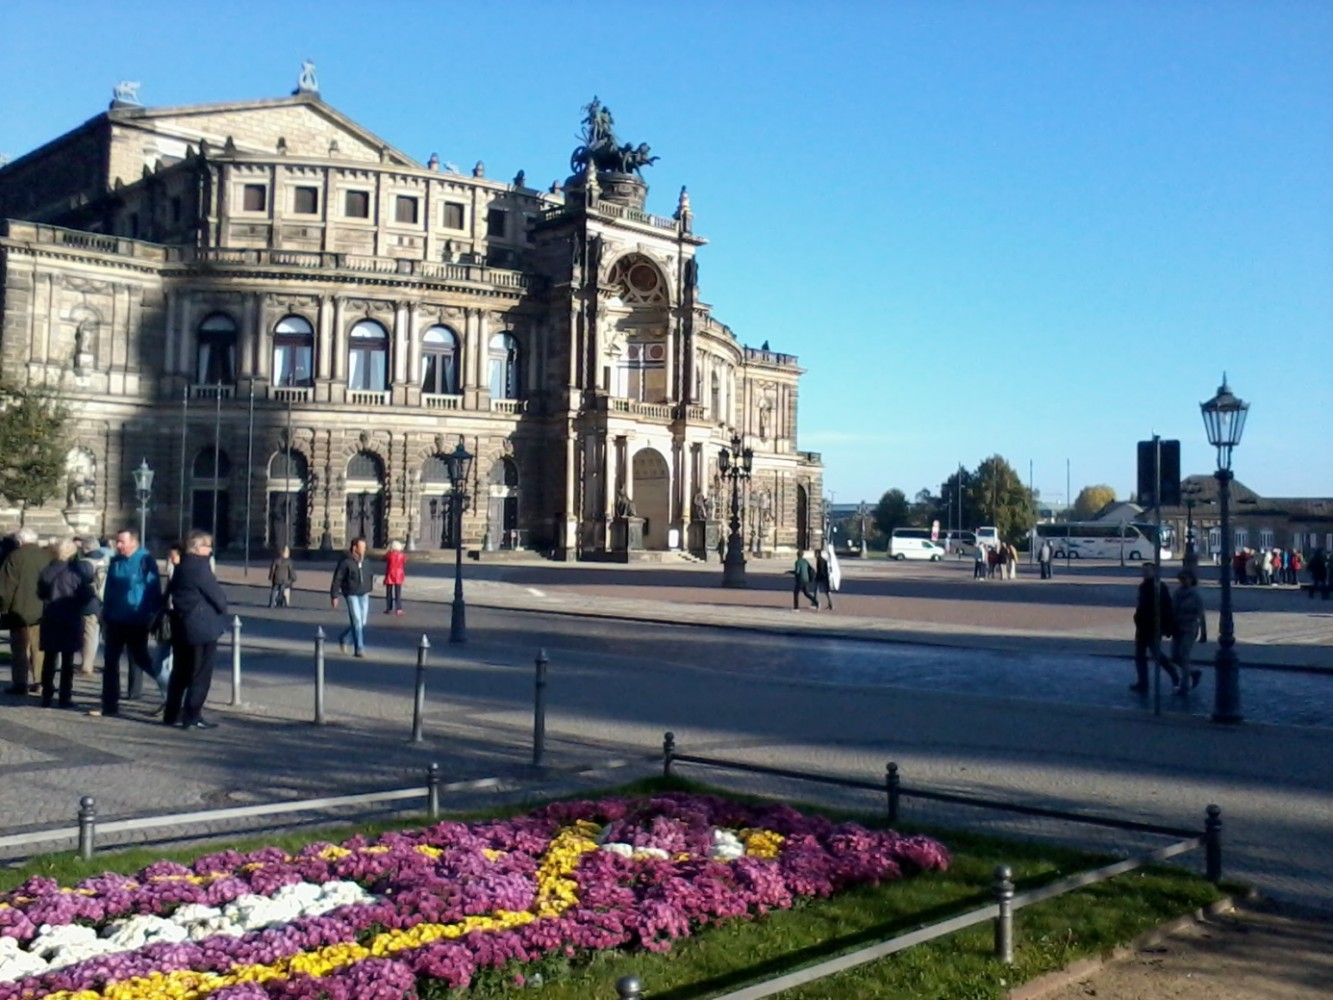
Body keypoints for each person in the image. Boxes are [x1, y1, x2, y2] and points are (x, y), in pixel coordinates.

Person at [96, 528, 165, 717]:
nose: (118, 545)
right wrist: (105, 613)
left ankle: (170, 688)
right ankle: (109, 703)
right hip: (115, 619)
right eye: (117, 541)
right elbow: (109, 589)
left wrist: (151, 616)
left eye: (122, 542)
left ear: (134, 542)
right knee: (110, 661)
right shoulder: (116, 561)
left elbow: (154, 591)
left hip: (137, 619)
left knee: (141, 659)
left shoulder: (145, 561)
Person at [165, 531, 227, 729]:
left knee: (180, 673)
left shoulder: (182, 565)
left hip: (181, 626)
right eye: (208, 546)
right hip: (201, 627)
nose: (210, 550)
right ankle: (192, 716)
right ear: (198, 548)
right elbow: (217, 596)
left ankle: (171, 713)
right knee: (200, 674)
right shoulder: (200, 567)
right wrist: (222, 609)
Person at [37, 539, 95, 708]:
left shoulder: (47, 570)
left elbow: (40, 593)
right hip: (70, 616)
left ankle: (47, 694)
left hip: (51, 617)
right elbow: (86, 595)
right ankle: (65, 696)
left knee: (49, 659)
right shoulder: (75, 572)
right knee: (67, 660)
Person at [1, 526, 52, 695]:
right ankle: (40, 681)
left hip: (19, 610)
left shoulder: (14, 557)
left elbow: (6, 587)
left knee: (19, 649)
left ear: (19, 541)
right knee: (39, 649)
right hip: (42, 610)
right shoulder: (46, 556)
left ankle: (20, 682)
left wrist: (3, 608)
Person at [1131, 563, 1177, 693]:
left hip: (1153, 626)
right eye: (1143, 571)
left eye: (1147, 571)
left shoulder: (1159, 586)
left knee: (1156, 654)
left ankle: (1174, 674)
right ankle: (1143, 682)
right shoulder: (1143, 586)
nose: (1144, 573)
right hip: (1142, 626)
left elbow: (1166, 607)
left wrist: (1165, 626)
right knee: (1140, 655)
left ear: (1154, 572)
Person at [330, 537, 372, 655]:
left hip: (364, 593)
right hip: (351, 593)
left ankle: (345, 638)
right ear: (355, 548)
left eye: (364, 547)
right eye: (362, 547)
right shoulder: (346, 562)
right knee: (357, 620)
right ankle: (359, 648)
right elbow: (337, 578)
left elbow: (369, 574)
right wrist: (334, 595)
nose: (364, 549)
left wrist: (369, 588)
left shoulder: (366, 561)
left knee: (362, 622)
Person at [1170, 569, 1207, 695]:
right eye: (1181, 579)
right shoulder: (1177, 593)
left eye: (1185, 579)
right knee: (1175, 656)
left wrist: (1203, 632)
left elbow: (1201, 615)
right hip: (1177, 627)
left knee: (1184, 655)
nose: (1183, 581)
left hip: (1190, 627)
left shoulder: (1196, 595)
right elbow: (1172, 610)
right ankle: (1193, 672)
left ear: (1191, 579)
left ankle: (1184, 686)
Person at [75, 537, 108, 675]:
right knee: (94, 634)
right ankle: (89, 662)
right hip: (103, 601)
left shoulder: (84, 563)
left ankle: (86, 666)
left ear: (86, 549)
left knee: (87, 635)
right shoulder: (106, 559)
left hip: (88, 602)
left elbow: (78, 584)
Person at [383, 540, 407, 615]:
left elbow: (384, 558)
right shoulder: (402, 555)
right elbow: (405, 561)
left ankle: (389, 608)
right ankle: (399, 608)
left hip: (390, 573)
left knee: (389, 592)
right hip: (399, 574)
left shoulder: (390, 554)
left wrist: (389, 551)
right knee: (398, 593)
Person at [813, 546, 835, 611]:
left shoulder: (819, 560)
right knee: (827, 591)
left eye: (815, 553)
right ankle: (831, 604)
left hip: (821, 578)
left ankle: (818, 604)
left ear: (818, 554)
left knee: (817, 591)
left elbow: (820, 570)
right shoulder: (823, 560)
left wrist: (817, 577)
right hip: (825, 577)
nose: (814, 555)